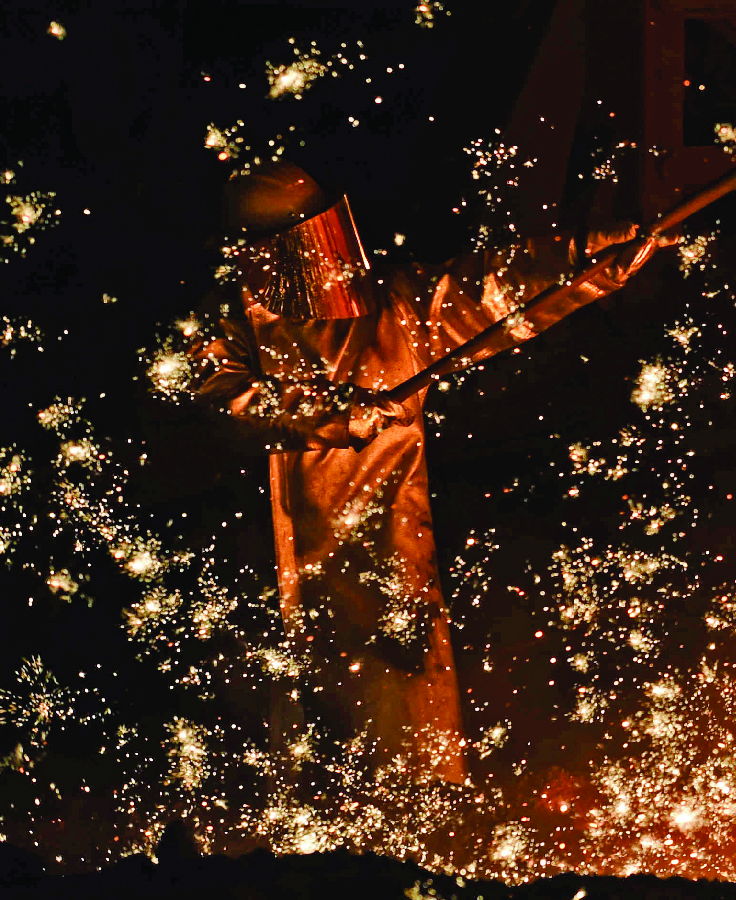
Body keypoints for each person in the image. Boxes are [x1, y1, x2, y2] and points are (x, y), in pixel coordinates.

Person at [192, 161, 665, 783]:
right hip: (266, 563)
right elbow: (221, 398)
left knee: (400, 715)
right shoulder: (232, 323)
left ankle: (414, 821)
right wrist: (336, 413)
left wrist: (597, 254)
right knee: (291, 738)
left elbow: (501, 290)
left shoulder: (393, 307)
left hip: (384, 554)